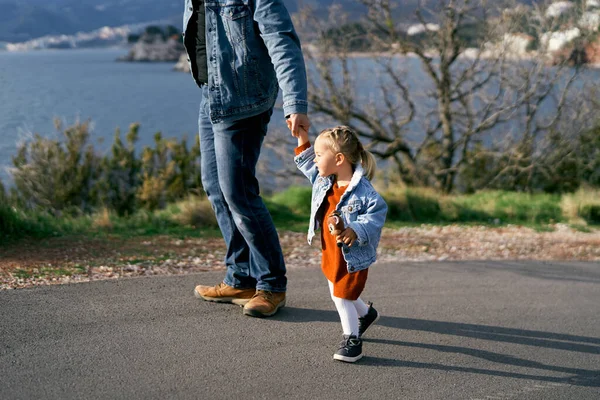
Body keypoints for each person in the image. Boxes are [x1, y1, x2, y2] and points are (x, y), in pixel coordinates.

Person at [183, 0, 310, 317]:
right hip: (212, 94)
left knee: (238, 191)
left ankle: (271, 285)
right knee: (214, 186)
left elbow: (282, 40)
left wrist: (295, 103)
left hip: (244, 100)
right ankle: (240, 278)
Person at [292, 125, 388, 363]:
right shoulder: (325, 179)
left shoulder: (364, 192)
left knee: (341, 296)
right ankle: (366, 314)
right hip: (330, 250)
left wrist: (355, 229)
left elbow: (377, 214)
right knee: (340, 289)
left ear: (338, 159)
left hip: (352, 255)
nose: (314, 160)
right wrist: (302, 137)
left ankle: (352, 339)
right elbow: (306, 165)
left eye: (319, 155)